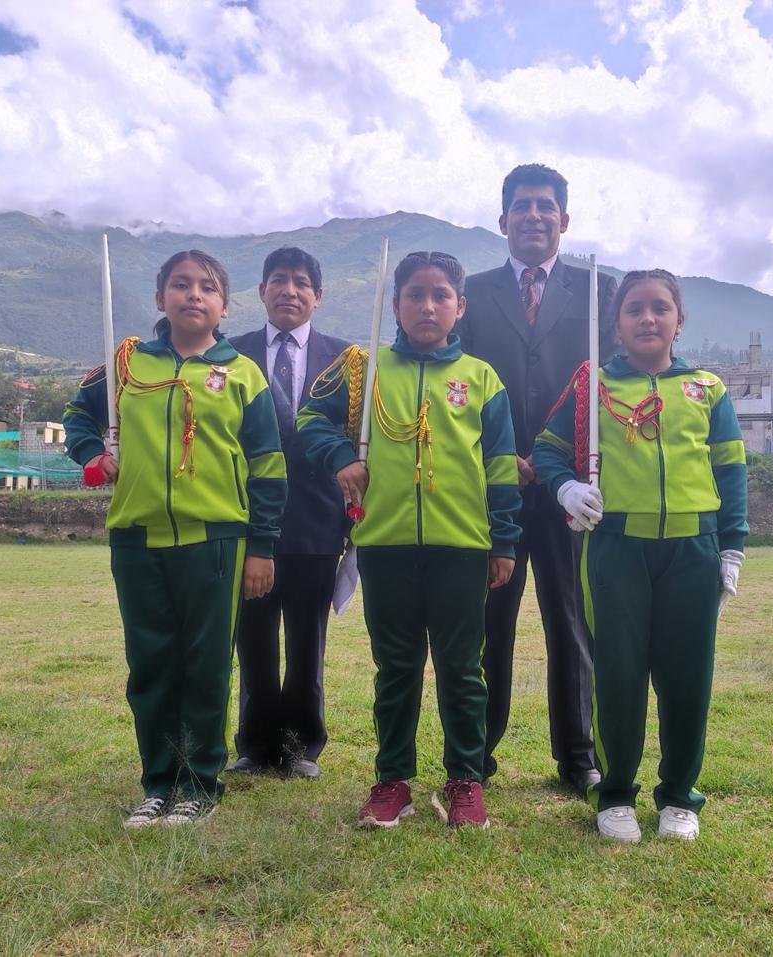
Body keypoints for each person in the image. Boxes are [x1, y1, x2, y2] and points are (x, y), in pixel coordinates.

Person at [297, 251, 521, 829]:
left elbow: (499, 468)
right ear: (395, 304)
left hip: (463, 547)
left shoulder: (482, 378)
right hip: (386, 543)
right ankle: (392, 779)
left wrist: (504, 542)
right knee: (395, 668)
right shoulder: (361, 371)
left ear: (460, 306)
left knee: (462, 670)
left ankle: (465, 780)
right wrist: (342, 456)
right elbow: (309, 421)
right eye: (415, 294)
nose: (428, 305)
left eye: (441, 294)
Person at [63, 249, 286, 829]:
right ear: (160, 297)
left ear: (224, 305)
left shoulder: (242, 374)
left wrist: (262, 546)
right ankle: (158, 782)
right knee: (151, 665)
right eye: (180, 285)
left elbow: (267, 466)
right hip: (137, 541)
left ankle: (199, 785)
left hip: (215, 542)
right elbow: (78, 415)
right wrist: (93, 455)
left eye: (207, 287)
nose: (194, 295)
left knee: (206, 665)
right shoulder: (127, 366)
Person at [531, 268, 748, 843]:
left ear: (679, 320)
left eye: (659, 307)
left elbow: (731, 472)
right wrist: (566, 489)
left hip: (693, 549)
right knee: (618, 672)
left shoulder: (708, 389)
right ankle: (617, 793)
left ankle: (679, 795)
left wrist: (732, 546)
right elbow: (548, 451)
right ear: (617, 324)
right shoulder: (591, 385)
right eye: (634, 309)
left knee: (688, 675)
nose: (647, 318)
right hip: (615, 549)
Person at [456, 163, 617, 795]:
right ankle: (477, 754)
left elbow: (609, 382)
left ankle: (578, 756)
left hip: (571, 490)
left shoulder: (598, 292)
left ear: (564, 220)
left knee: (572, 622)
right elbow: (457, 384)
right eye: (521, 206)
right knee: (487, 621)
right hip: (492, 489)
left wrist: (556, 463)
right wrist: (504, 461)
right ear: (502, 221)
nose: (533, 216)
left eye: (545, 206)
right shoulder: (471, 292)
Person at [226, 247, 352, 779]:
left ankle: (301, 745)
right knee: (253, 637)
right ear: (261, 291)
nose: (290, 290)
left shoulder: (348, 360)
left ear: (318, 296)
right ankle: (255, 746)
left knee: (307, 638)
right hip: (248, 518)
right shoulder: (228, 355)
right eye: (278, 280)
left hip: (318, 522)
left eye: (302, 282)